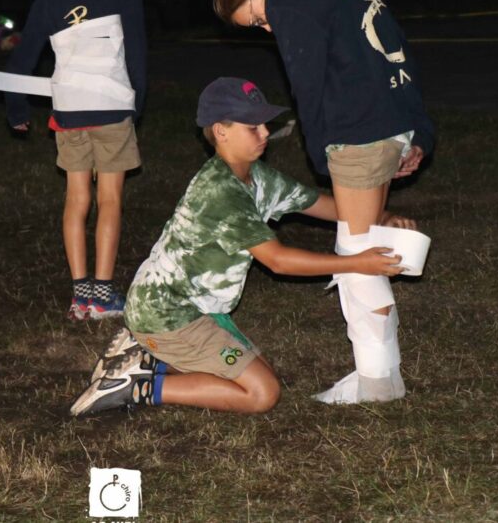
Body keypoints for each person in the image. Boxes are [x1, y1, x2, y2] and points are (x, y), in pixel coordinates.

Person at [70, 78, 406, 417]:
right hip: (167, 314)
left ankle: (149, 357)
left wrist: (384, 216)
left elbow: (323, 206)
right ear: (221, 131)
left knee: (257, 372)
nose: (265, 133)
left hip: (199, 311)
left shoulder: (257, 176)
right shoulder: (221, 192)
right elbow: (278, 261)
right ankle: (136, 386)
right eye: (252, 127)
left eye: (265, 124)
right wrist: (357, 263)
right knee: (262, 393)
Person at [212, 0, 434, 403]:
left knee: (356, 254)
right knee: (367, 245)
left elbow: (306, 83)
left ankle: (376, 382)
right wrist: (417, 134)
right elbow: (398, 58)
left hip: (357, 131)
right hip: (389, 124)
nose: (267, 28)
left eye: (257, 19)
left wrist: (319, 151)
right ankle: (383, 375)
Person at [3, 0, 146, 320]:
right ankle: (102, 295)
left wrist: (16, 108)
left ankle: (80, 296)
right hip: (111, 103)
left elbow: (25, 54)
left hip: (68, 107)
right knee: (110, 199)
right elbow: (136, 49)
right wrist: (136, 105)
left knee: (76, 197)